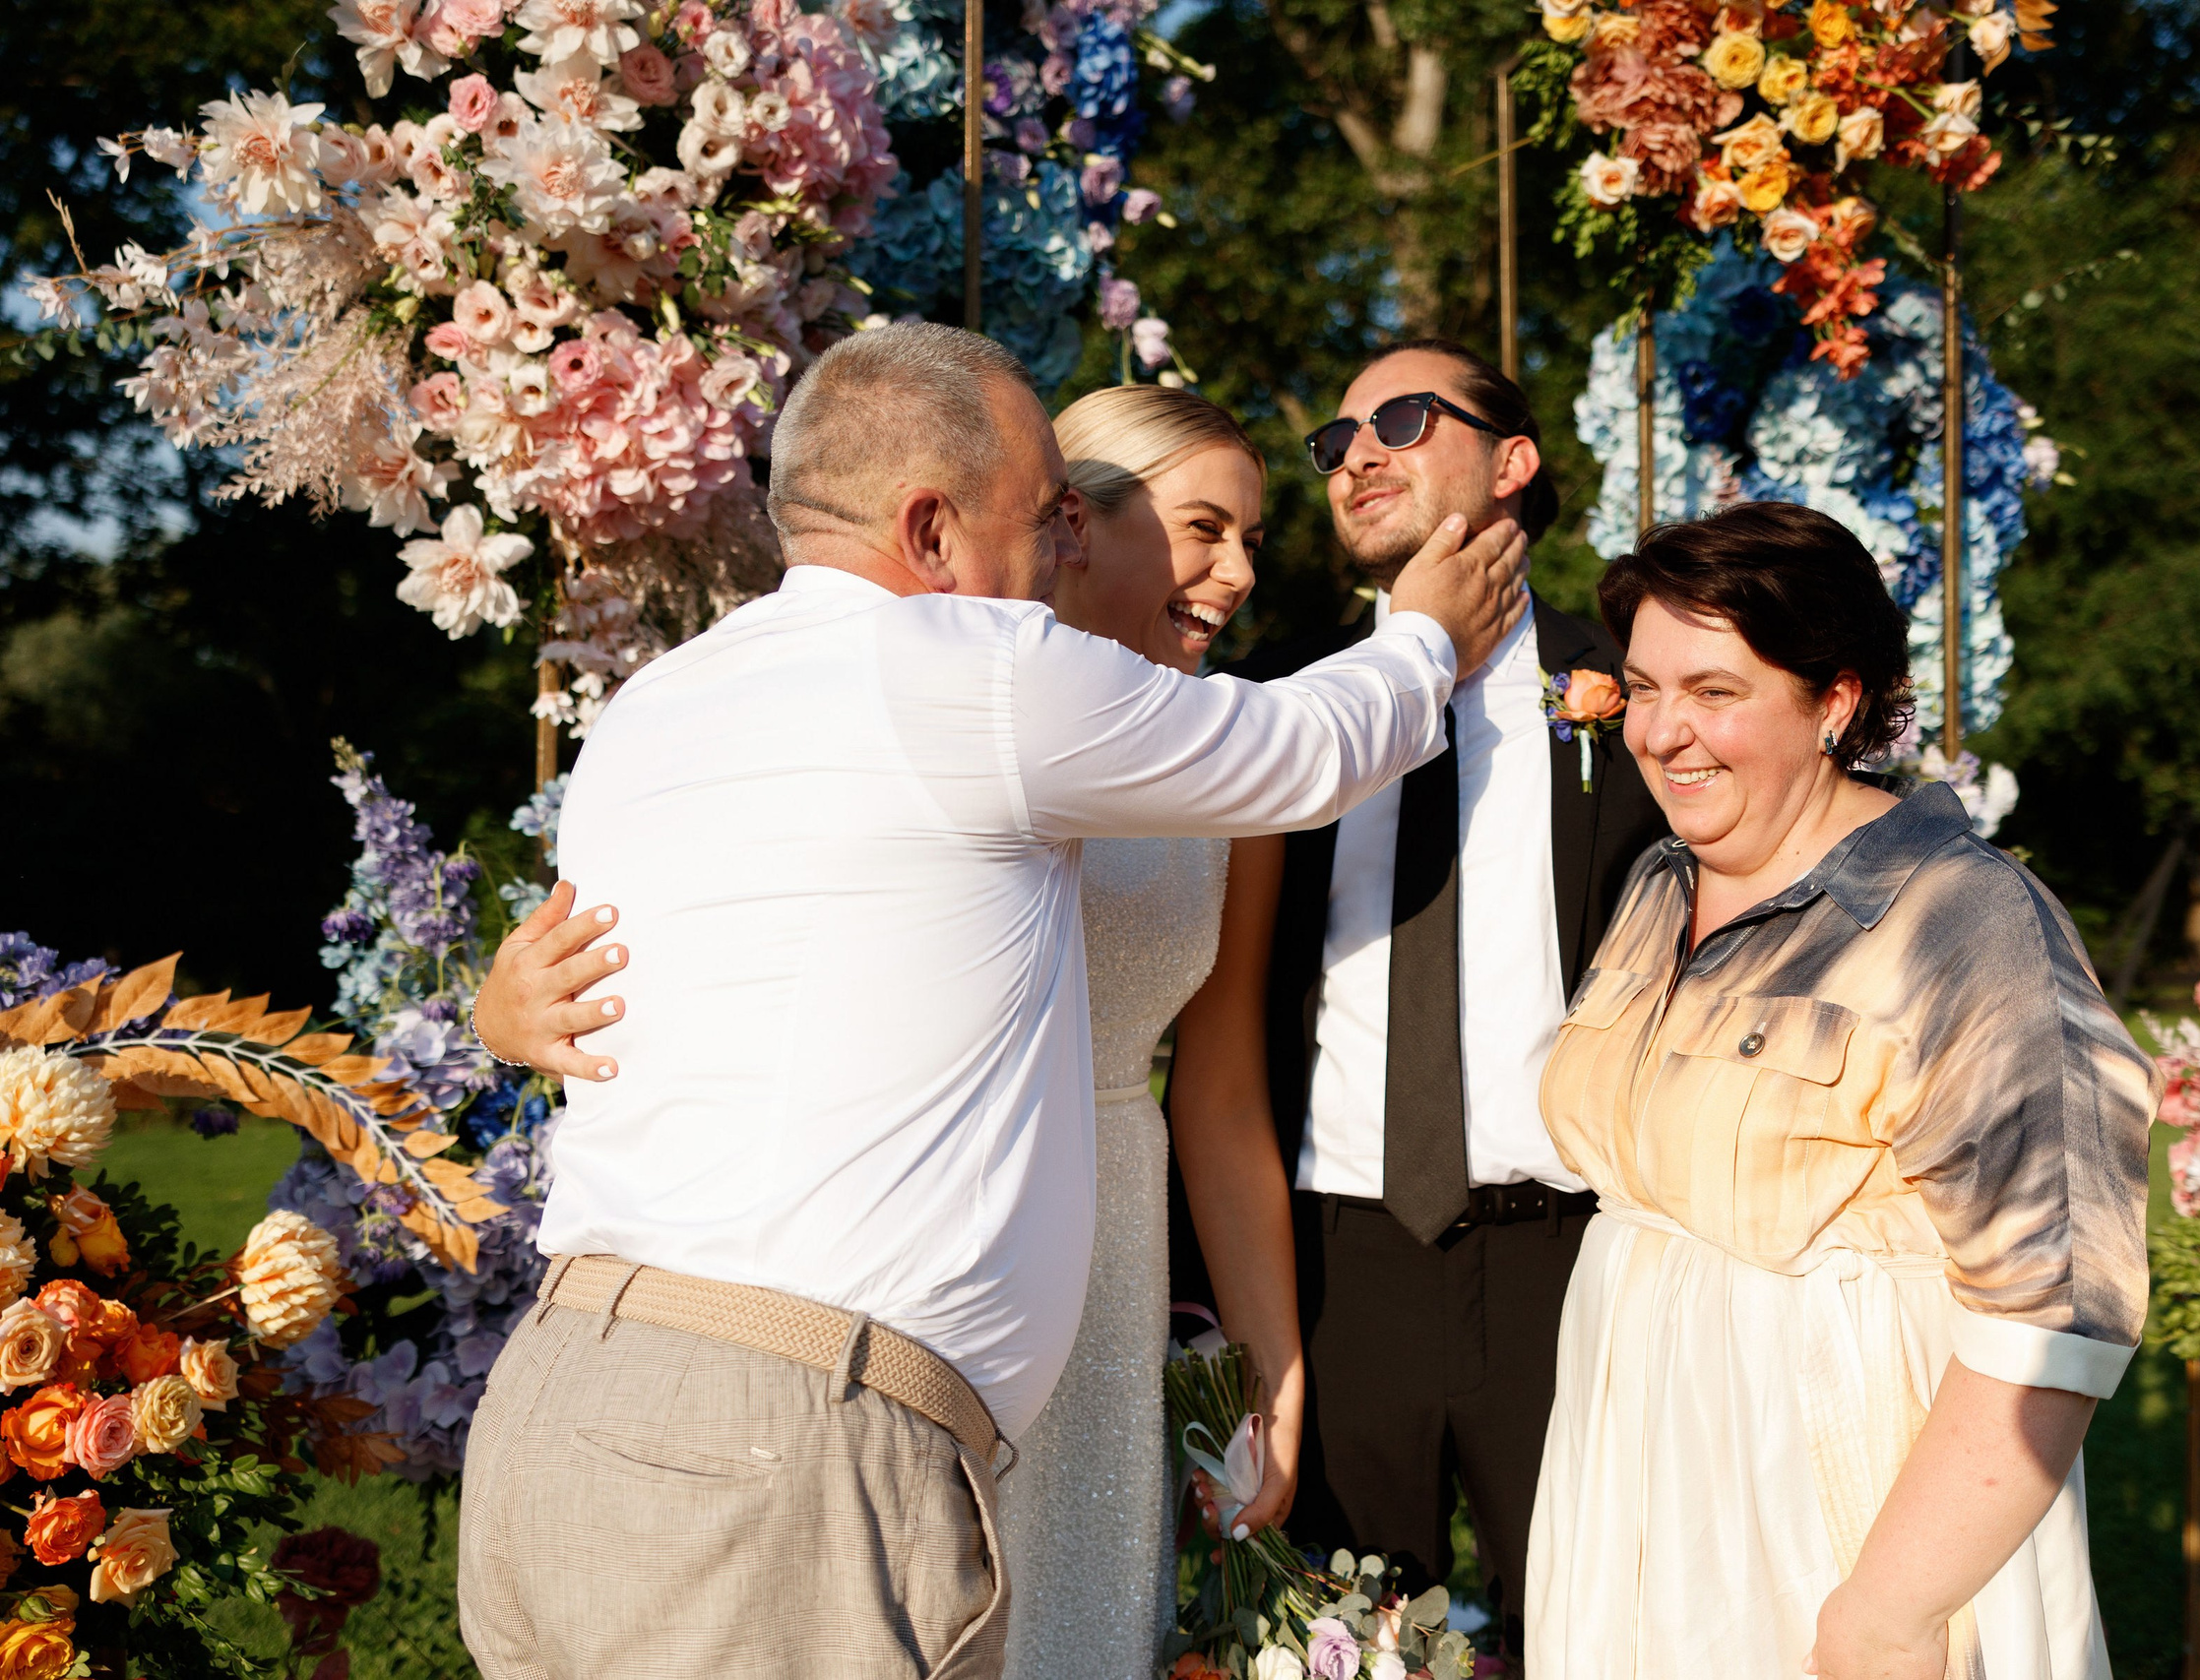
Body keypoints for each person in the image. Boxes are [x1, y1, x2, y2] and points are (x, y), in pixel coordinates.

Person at [456, 322, 1529, 1680]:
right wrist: (1431, 631)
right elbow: (1309, 745)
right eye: (1046, 515)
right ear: (931, 527)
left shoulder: (659, 703)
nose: (1056, 550)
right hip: (788, 1433)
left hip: (562, 1392)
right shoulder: (984, 669)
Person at [1523, 502, 2156, 1680]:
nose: (1663, 734)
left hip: (1834, 1503)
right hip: (1635, 1480)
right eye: (1644, 688)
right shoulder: (1661, 882)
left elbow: (2056, 1306)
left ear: (1835, 701)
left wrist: (1890, 1610)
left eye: (1715, 691)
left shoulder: (1964, 920)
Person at [1166, 340, 1666, 1647]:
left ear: (1513, 460)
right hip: (1337, 1267)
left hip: (1573, 1258)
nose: (1357, 453)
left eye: (1399, 416)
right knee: (1320, 1646)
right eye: (1335, 442)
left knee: (1598, 1634)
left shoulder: (1637, 699)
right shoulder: (1278, 702)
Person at [995, 385, 1273, 1680]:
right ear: (1081, 517)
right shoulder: (961, 694)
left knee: (1081, 1609)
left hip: (1116, 1220)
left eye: (1253, 539)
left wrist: (1274, 1367)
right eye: (1205, 525)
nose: (1238, 570)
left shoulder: (1244, 765)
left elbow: (1220, 1096)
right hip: (948, 1206)